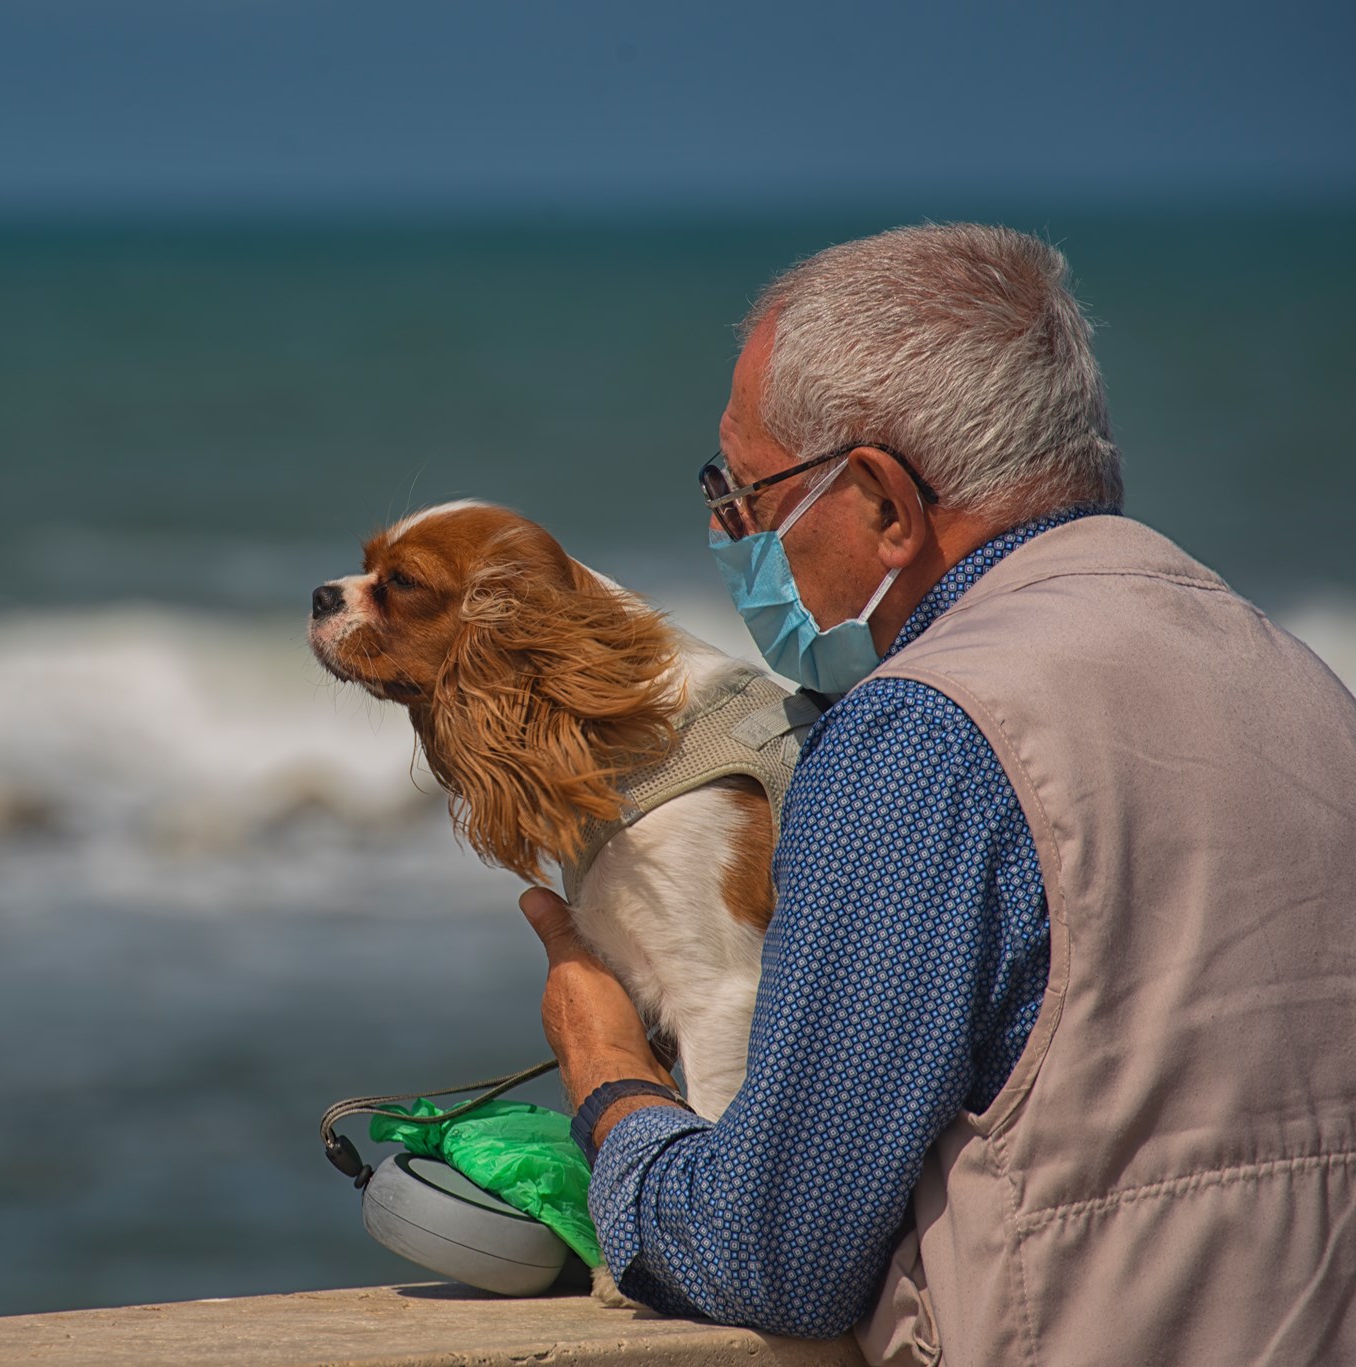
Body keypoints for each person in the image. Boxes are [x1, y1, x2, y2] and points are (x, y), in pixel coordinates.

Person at [521, 223, 1356, 1366]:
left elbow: (771, 1257)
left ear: (879, 502)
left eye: (742, 494)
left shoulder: (920, 733)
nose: (730, 536)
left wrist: (612, 1083)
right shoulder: (1297, 680)